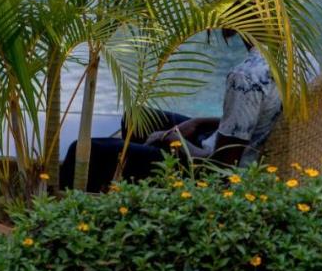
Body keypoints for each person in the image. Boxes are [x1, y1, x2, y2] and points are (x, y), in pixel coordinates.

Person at [59, 29, 283, 191]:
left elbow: (217, 169)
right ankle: (134, 189)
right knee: (137, 118)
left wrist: (172, 139)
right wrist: (197, 122)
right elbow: (253, 118)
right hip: (235, 146)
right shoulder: (286, 59)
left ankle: (75, 217)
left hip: (210, 173)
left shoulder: (246, 77)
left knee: (83, 150)